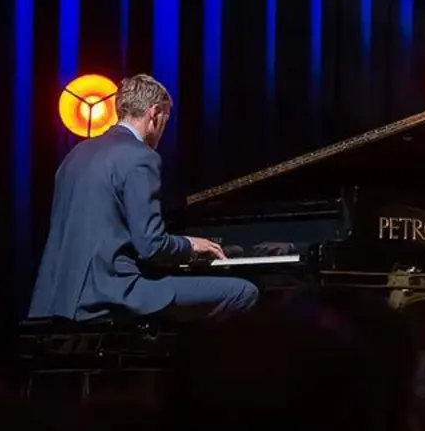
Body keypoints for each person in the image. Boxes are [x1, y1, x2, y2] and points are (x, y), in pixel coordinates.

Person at [26, 74, 257, 323]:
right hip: (112, 294)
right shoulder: (140, 156)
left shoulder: (75, 155)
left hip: (55, 300)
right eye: (165, 122)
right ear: (154, 114)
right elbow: (152, 247)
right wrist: (190, 245)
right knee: (242, 292)